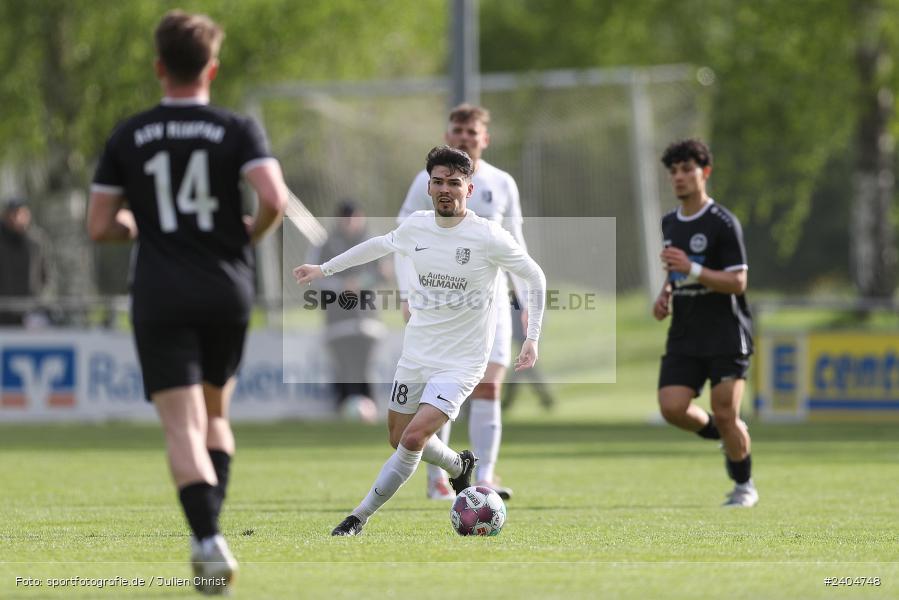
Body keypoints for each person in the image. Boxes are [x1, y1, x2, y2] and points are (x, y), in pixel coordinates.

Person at [87, 10, 287, 593]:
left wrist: (137, 224)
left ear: (158, 68)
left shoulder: (128, 134)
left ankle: (206, 539)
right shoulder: (237, 129)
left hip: (161, 292)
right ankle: (212, 533)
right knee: (216, 416)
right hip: (227, 289)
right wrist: (246, 235)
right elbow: (274, 198)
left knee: (181, 427)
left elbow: (100, 226)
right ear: (212, 69)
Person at [294, 145, 546, 536]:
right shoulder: (417, 226)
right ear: (428, 187)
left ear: (470, 188)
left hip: (462, 362)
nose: (446, 189)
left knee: (413, 437)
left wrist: (531, 337)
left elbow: (535, 276)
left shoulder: (487, 236)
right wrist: (324, 268)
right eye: (438, 182)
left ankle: (357, 517)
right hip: (416, 354)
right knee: (397, 437)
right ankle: (459, 466)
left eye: (454, 183)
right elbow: (377, 247)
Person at [395, 103, 525, 500]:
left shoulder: (502, 183)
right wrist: (407, 294)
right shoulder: (426, 181)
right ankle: (439, 479)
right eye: (458, 130)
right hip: (442, 302)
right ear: (448, 134)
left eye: (472, 132)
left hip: (492, 304)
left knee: (489, 387)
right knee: (441, 386)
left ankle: (484, 478)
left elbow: (517, 243)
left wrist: (524, 301)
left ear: (484, 138)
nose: (464, 137)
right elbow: (402, 237)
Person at [653, 138, 758, 508]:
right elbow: (676, 270)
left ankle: (744, 486)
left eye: (687, 170)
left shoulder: (723, 222)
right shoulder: (669, 222)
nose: (679, 177)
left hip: (726, 333)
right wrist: (666, 292)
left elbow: (737, 281)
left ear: (705, 173)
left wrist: (692, 268)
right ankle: (726, 434)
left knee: (727, 409)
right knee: (672, 407)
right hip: (685, 331)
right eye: (674, 172)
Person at [308, 200, 385, 420]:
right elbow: (315, 279)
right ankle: (345, 413)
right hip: (337, 322)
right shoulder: (326, 245)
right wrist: (341, 287)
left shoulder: (372, 242)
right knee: (345, 370)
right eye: (346, 218)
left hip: (367, 321)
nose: (350, 222)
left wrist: (361, 282)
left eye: (354, 217)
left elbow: (384, 272)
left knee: (364, 370)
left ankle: (369, 412)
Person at [0, 198, 52, 327]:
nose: (17, 218)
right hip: (3, 312)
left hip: (31, 314)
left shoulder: (37, 241)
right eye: (13, 213)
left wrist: (43, 303)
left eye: (21, 213)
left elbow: (48, 277)